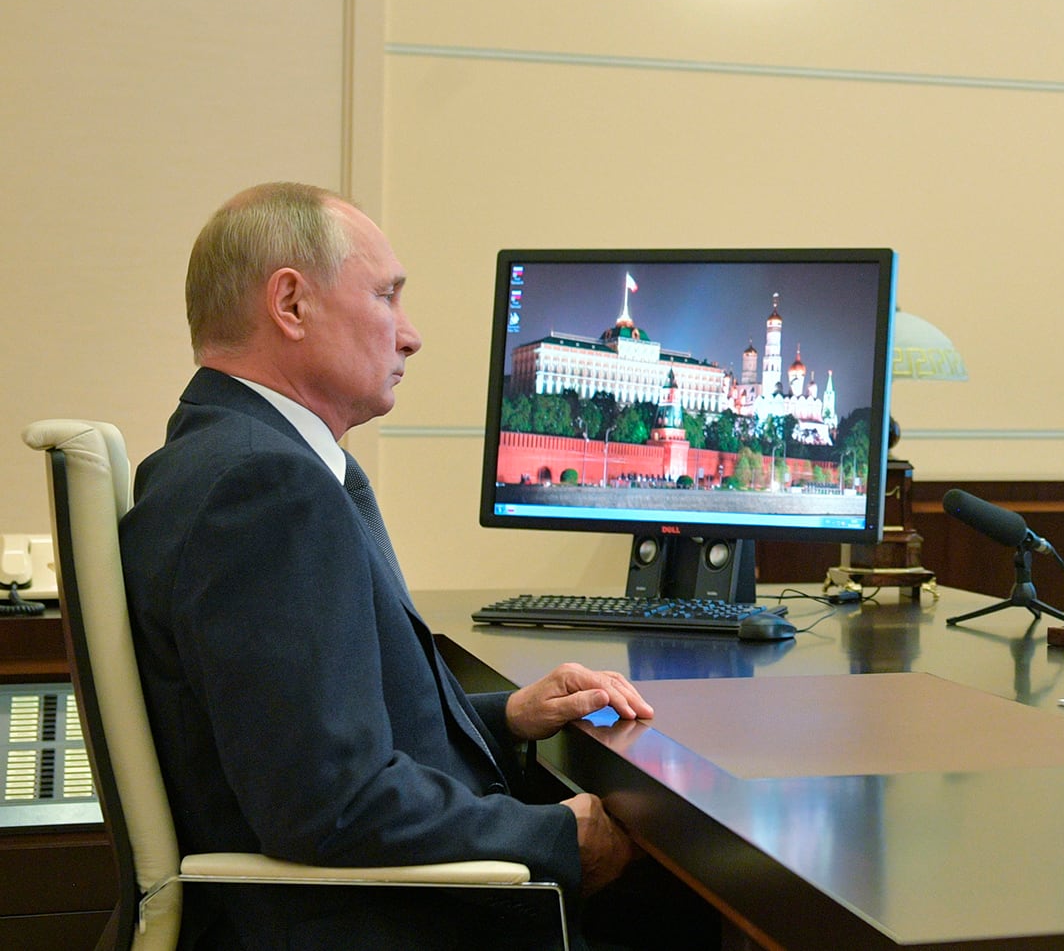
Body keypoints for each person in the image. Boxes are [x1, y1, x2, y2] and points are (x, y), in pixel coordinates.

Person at [120, 183, 661, 950]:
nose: (411, 336)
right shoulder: (266, 488)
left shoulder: (227, 455)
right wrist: (551, 838)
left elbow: (303, 728)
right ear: (291, 304)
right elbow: (331, 801)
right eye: (386, 296)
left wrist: (505, 715)